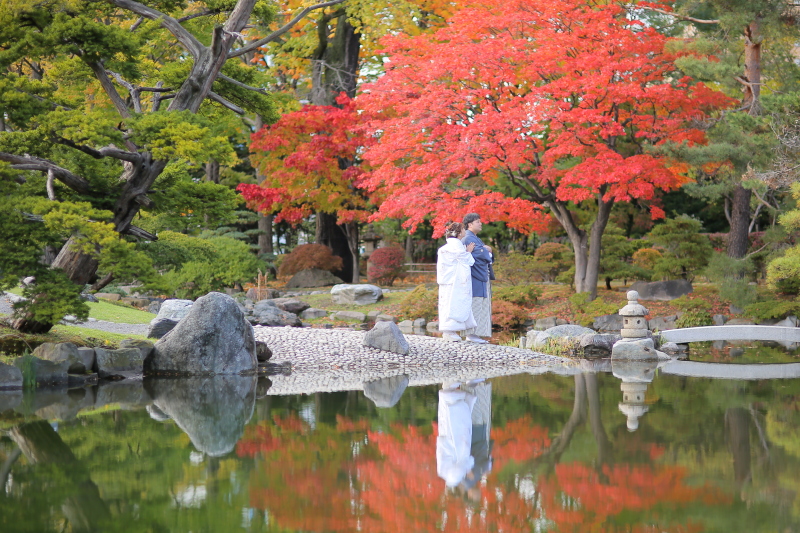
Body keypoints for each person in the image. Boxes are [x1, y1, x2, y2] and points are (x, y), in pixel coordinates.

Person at [437, 222, 476, 342]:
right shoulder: (457, 247)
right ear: (459, 233)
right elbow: (469, 261)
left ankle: (448, 331)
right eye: (463, 229)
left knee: (447, 304)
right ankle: (449, 331)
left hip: (447, 280)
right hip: (455, 281)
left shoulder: (445, 248)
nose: (465, 231)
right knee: (453, 303)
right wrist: (468, 251)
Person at [461, 213, 493, 343]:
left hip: (479, 276)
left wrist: (486, 250)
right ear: (470, 224)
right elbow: (481, 255)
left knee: (480, 304)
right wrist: (487, 250)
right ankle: (471, 334)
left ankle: (476, 334)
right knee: (475, 303)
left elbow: (484, 252)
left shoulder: (474, 238)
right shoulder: (468, 238)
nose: (481, 224)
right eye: (478, 222)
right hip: (475, 277)